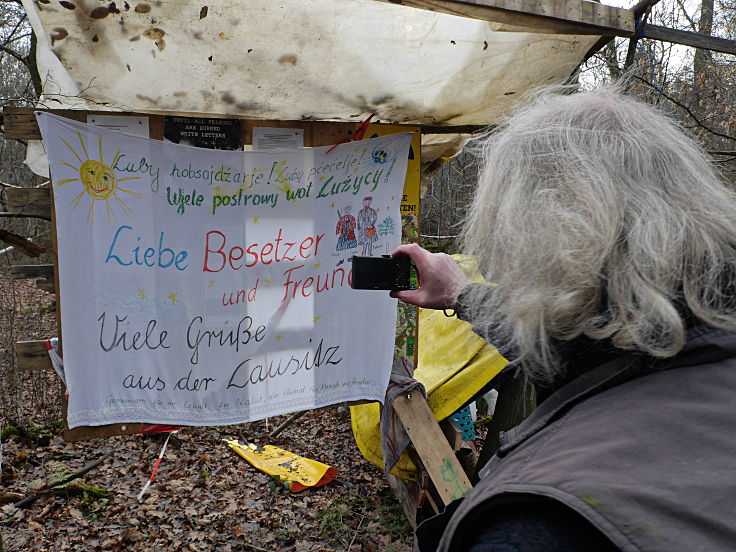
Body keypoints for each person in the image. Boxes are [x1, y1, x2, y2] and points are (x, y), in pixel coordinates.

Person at [391, 86, 736, 552]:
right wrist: (459, 293)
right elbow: (579, 339)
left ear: (524, 238)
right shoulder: (696, 339)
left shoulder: (536, 525)